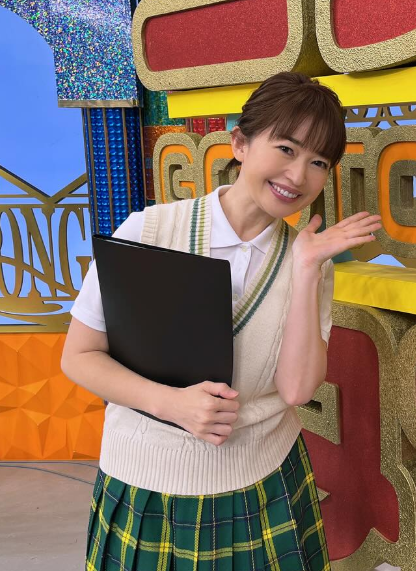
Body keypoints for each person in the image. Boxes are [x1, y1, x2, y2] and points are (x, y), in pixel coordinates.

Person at [62, 72, 381, 571]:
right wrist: (172, 404)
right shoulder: (149, 230)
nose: (298, 175)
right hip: (147, 481)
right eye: (286, 148)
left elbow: (297, 390)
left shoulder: (309, 261)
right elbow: (79, 356)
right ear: (240, 144)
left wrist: (304, 270)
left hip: (265, 481)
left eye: (319, 162)